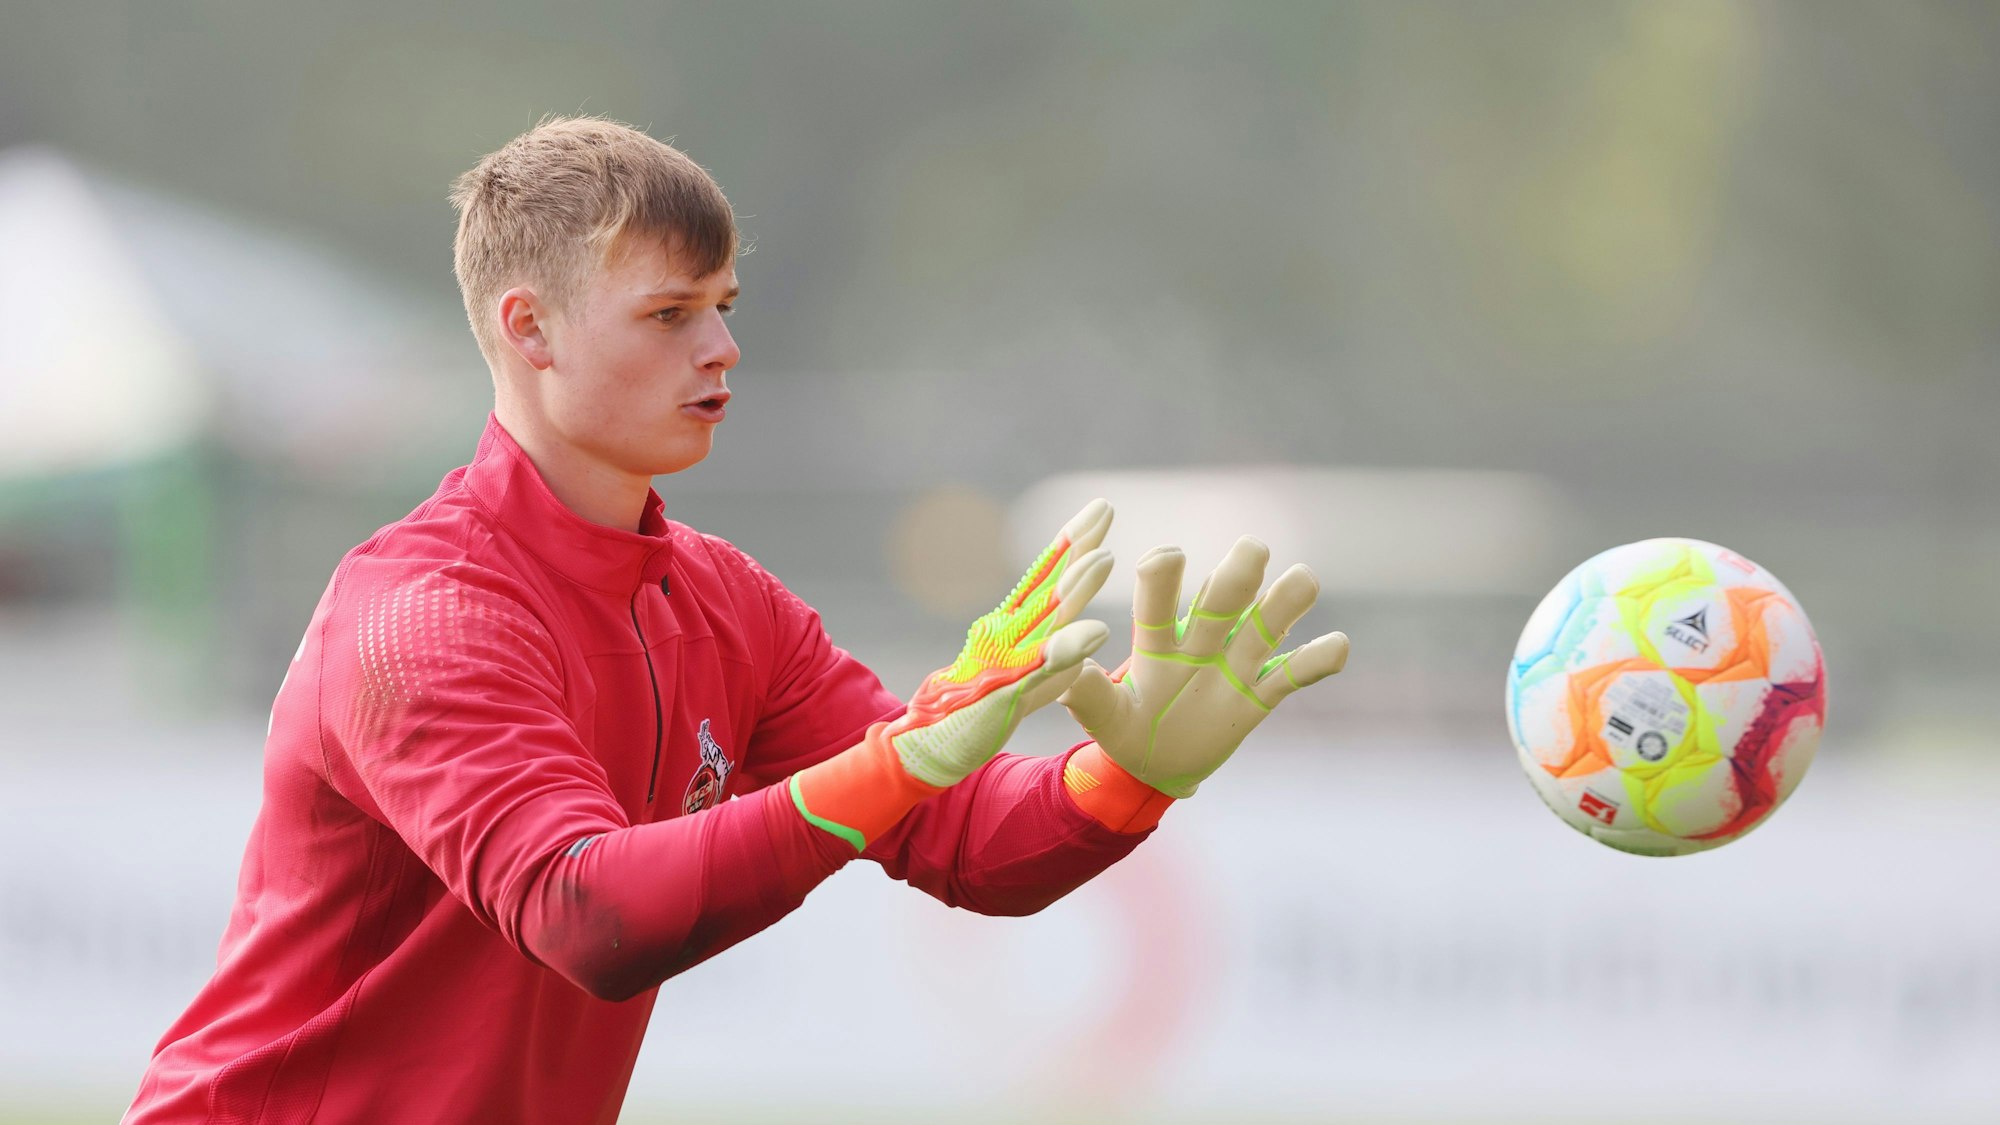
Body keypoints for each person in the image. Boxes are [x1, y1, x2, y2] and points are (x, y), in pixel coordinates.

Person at [123, 115, 1349, 1124]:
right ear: (528, 327)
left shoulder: (722, 602)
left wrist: (1121, 780)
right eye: (668, 315)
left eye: (722, 302)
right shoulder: (419, 617)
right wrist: (885, 768)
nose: (722, 347)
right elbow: (586, 914)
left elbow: (960, 839)